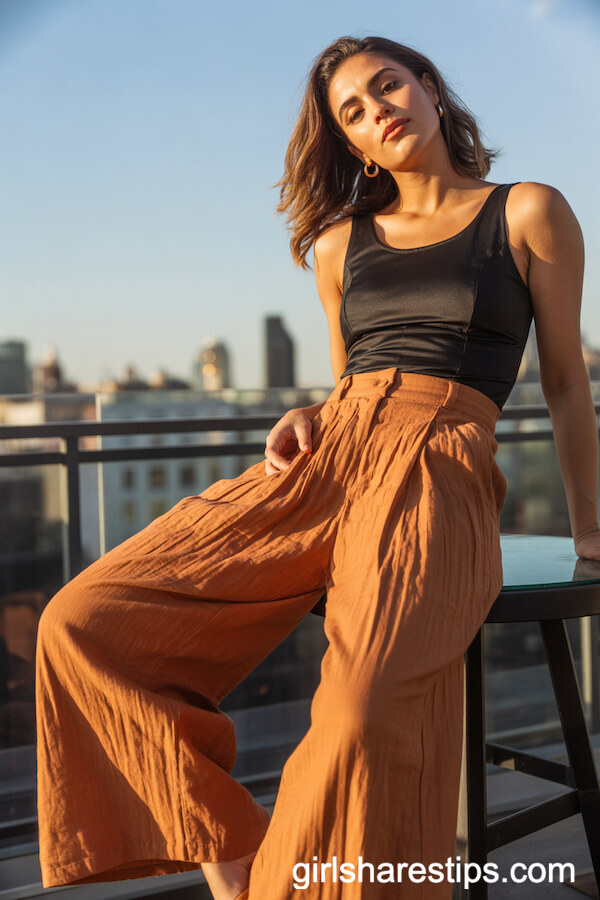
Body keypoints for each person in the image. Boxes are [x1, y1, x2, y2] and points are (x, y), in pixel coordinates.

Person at [35, 34, 599, 900]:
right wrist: (310, 410)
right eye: (355, 112)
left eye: (389, 86)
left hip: (436, 463)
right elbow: (348, 380)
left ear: (429, 90)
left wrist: (591, 529)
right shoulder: (340, 246)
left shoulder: (526, 211)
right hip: (325, 458)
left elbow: (565, 381)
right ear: (353, 145)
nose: (381, 110)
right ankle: (236, 870)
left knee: (363, 708)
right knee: (83, 623)